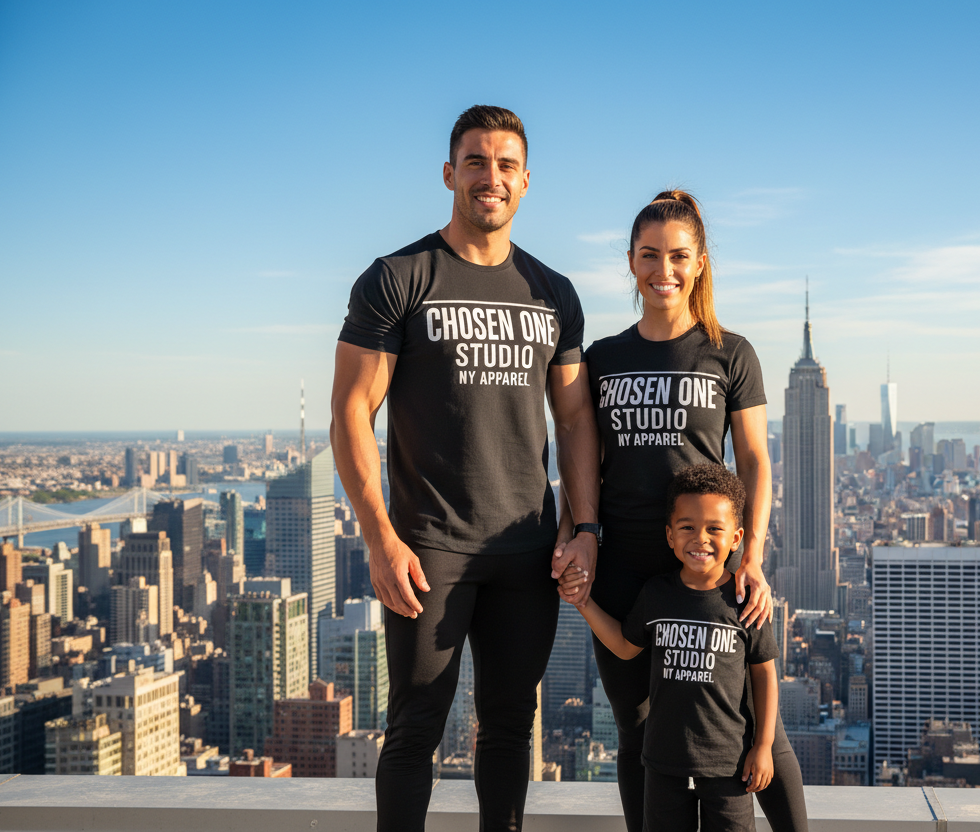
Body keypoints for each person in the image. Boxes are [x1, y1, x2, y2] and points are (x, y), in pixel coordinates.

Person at [330, 105, 600, 832]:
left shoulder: (554, 294)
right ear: (450, 174)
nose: (491, 176)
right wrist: (380, 538)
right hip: (428, 547)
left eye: (506, 164)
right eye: (476, 162)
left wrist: (586, 529)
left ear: (526, 181)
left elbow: (574, 421)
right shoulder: (399, 278)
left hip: (526, 549)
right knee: (415, 724)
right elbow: (352, 413)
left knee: (511, 723)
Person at [553, 190, 808, 832]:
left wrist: (749, 559)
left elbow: (754, 462)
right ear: (631, 263)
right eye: (648, 255)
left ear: (698, 265)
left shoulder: (731, 352)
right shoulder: (604, 358)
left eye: (677, 256)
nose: (662, 269)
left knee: (752, 721)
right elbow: (580, 455)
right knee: (638, 729)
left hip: (705, 565)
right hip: (623, 566)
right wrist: (576, 536)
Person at [565, 464, 778, 832]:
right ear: (669, 535)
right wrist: (583, 602)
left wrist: (763, 746)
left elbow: (764, 675)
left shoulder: (746, 601)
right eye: (687, 528)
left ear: (737, 537)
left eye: (715, 528)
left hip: (729, 765)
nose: (701, 539)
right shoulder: (656, 594)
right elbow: (624, 646)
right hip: (663, 763)